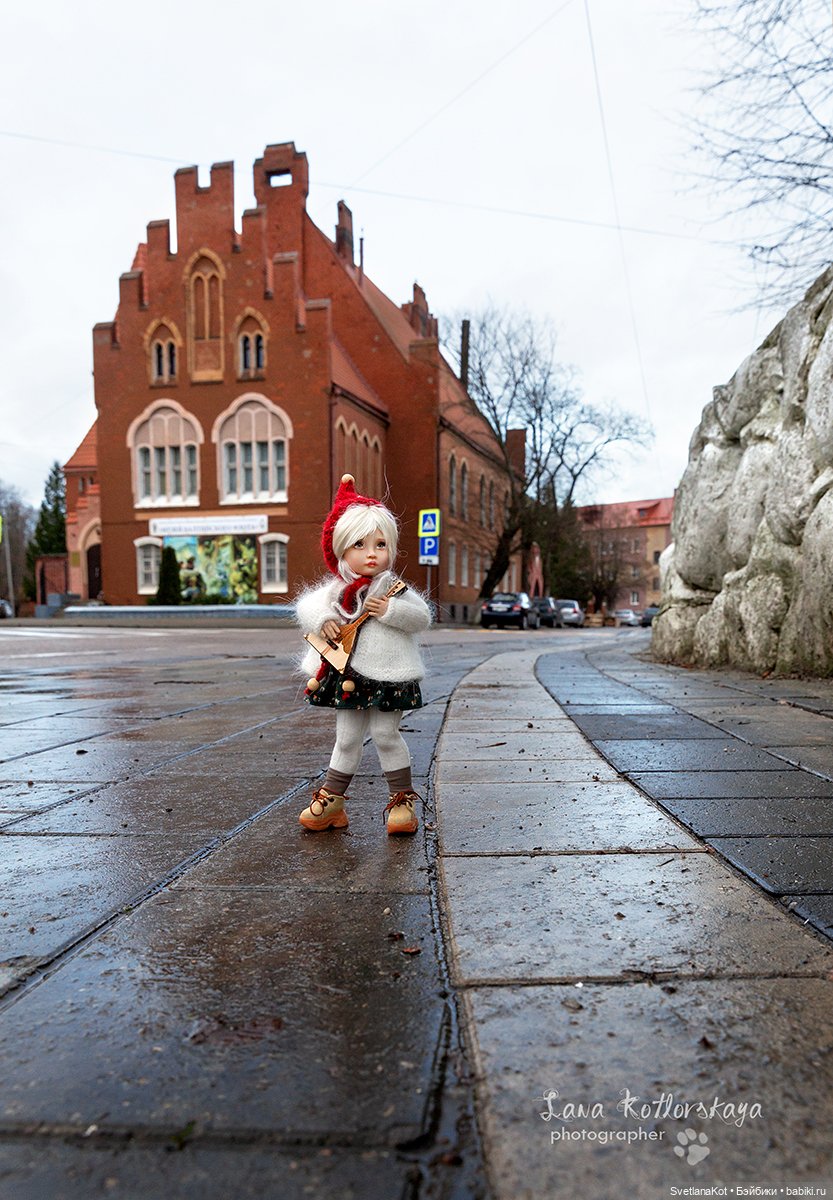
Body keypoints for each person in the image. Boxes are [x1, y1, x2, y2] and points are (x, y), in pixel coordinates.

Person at [295, 474, 432, 835]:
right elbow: (307, 606)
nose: (372, 553)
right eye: (360, 544)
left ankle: (401, 800)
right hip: (348, 676)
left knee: (387, 735)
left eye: (381, 544)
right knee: (347, 738)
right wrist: (324, 619)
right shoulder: (336, 590)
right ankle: (333, 802)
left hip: (389, 675)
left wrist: (390, 611)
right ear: (341, 549)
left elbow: (422, 617)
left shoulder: (394, 589)